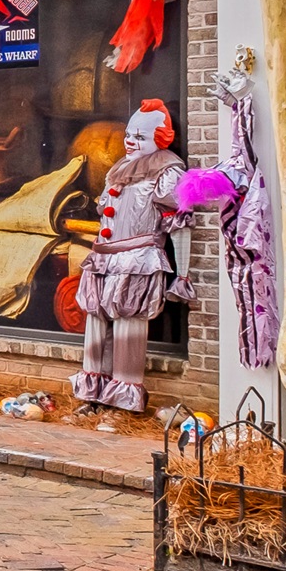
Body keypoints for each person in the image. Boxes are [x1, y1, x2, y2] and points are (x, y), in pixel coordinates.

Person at [71, 99, 190, 413]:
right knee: (96, 323)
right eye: (129, 134)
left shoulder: (167, 172)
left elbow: (178, 225)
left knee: (128, 329)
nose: (130, 141)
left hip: (139, 259)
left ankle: (122, 403)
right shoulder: (119, 169)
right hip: (104, 257)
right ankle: (93, 397)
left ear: (159, 139)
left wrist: (183, 275)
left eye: (140, 136)